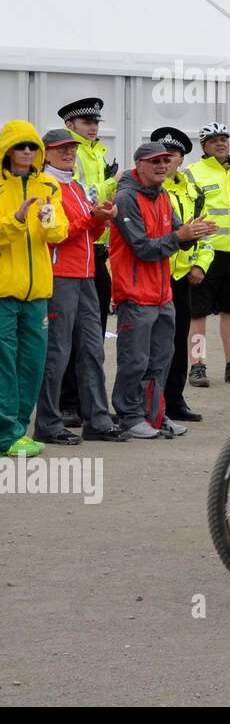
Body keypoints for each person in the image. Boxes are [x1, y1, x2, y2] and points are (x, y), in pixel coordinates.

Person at [112, 144, 216, 439]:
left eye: (166, 161)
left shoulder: (163, 196)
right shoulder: (126, 197)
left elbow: (178, 236)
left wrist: (193, 233)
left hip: (162, 294)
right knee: (134, 361)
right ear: (139, 165)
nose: (162, 165)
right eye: (154, 161)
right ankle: (130, 417)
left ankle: (155, 415)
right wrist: (180, 236)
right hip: (135, 295)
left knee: (161, 359)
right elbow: (143, 248)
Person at [34, 128, 119, 445]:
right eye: (61, 149)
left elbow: (89, 235)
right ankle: (48, 422)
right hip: (59, 277)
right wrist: (91, 219)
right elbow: (55, 234)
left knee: (92, 350)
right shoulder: (46, 187)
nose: (69, 153)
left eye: (71, 148)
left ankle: (96, 419)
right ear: (47, 153)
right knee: (57, 352)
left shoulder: (77, 186)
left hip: (84, 275)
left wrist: (101, 219)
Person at [0, 122, 68, 457]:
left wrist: (47, 219)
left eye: (32, 146)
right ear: (8, 150)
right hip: (3, 293)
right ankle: (6, 435)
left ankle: (17, 431)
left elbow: (59, 233)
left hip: (37, 292)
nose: (27, 152)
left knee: (32, 364)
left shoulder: (49, 186)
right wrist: (15, 219)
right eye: (20, 146)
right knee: (4, 364)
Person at [57, 96, 118, 426]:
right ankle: (68, 402)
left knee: (93, 335)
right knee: (68, 335)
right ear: (71, 125)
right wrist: (112, 183)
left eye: (96, 122)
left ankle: (89, 400)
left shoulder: (97, 153)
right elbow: (87, 196)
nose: (94, 127)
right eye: (87, 122)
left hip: (96, 250)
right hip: (75, 250)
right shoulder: (74, 153)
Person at [186, 122, 230, 388]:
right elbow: (188, 214)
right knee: (198, 313)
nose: (220, 143)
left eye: (224, 139)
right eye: (214, 140)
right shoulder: (193, 174)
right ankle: (197, 365)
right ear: (203, 146)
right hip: (207, 253)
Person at [154, 127, 210, 424]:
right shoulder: (151, 189)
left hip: (182, 276)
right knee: (153, 345)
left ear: (181, 160)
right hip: (155, 274)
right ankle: (151, 404)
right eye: (160, 156)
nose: (165, 162)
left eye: (172, 156)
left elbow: (205, 234)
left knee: (176, 343)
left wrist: (200, 264)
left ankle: (174, 400)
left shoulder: (193, 192)